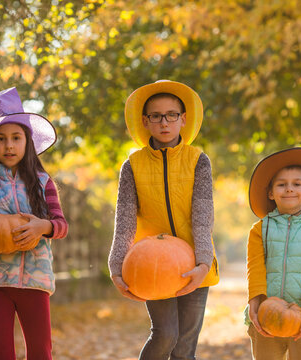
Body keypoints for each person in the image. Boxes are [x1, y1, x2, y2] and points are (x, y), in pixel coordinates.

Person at [108, 80, 220, 360]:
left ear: (183, 119)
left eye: (171, 115)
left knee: (184, 349)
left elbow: (203, 217)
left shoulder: (199, 161)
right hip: (152, 264)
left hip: (194, 263)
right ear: (145, 121)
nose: (164, 122)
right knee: (165, 333)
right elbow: (124, 221)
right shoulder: (132, 165)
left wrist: (204, 262)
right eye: (156, 116)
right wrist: (116, 265)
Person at [0, 87, 68, 360]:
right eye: (1, 139)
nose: (9, 146)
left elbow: (61, 225)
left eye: (16, 138)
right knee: (1, 353)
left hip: (35, 280)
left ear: (27, 142)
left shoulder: (43, 182)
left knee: (41, 352)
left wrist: (42, 227)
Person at [244, 147, 301, 360]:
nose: (289, 189)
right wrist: (254, 305)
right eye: (282, 184)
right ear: (271, 193)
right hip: (266, 314)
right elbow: (255, 269)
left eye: (297, 184)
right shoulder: (259, 229)